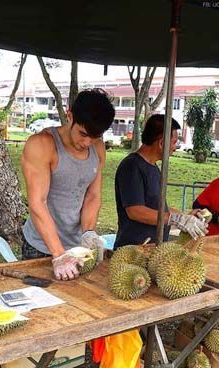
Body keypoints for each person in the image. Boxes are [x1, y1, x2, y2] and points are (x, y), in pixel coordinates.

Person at [21, 89, 114, 281]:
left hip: (77, 246)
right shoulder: (42, 145)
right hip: (41, 247)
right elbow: (38, 202)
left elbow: (92, 195)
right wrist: (58, 253)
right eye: (83, 133)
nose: (88, 142)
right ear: (69, 115)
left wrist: (88, 232)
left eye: (95, 136)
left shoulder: (97, 148)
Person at [114, 115, 207, 248]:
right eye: (174, 142)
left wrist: (184, 216)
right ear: (161, 143)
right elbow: (135, 211)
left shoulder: (153, 167)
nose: (175, 147)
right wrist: (174, 219)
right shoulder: (131, 166)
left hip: (154, 247)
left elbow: (158, 208)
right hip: (134, 250)